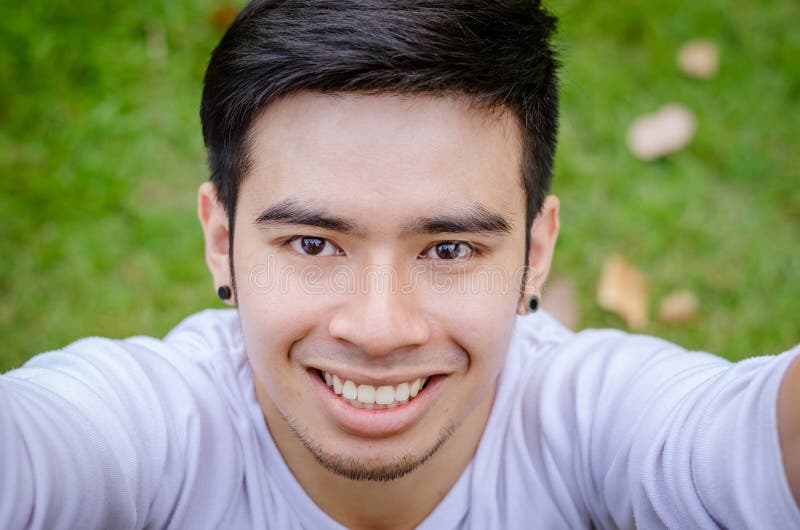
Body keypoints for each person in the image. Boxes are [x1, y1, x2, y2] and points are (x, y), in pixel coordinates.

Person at [1, 1, 798, 528]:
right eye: (313, 244)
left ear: (537, 251)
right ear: (221, 240)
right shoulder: (150, 432)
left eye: (449, 249)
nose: (379, 330)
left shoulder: (590, 422)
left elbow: (750, 446)